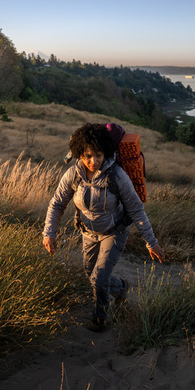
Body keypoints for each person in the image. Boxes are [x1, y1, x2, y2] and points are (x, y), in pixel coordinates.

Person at [42, 123, 165, 332]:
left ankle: (100, 318)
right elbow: (57, 203)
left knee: (99, 279)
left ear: (106, 153)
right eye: (88, 155)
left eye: (98, 155)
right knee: (91, 273)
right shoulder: (73, 174)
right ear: (80, 154)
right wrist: (49, 233)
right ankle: (122, 288)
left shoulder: (117, 176)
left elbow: (136, 209)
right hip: (88, 233)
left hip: (114, 233)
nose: (94, 161)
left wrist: (151, 242)